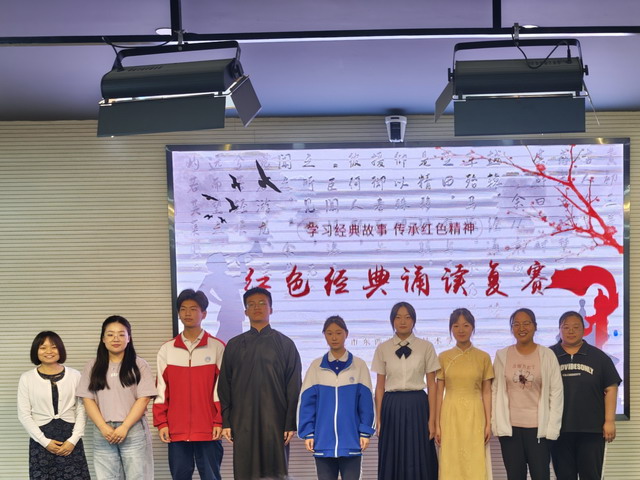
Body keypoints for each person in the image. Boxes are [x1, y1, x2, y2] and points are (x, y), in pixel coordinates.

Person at [217, 286, 302, 480]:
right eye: (251, 304)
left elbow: (294, 386)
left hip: (276, 421)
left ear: (271, 309)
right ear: (245, 311)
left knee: (276, 473)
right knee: (245, 471)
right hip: (242, 421)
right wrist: (227, 421)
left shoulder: (285, 344)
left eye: (262, 303)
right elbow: (224, 386)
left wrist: (290, 423)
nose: (257, 307)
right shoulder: (234, 345)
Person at [153, 289, 225, 480]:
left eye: (194, 309)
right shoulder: (167, 349)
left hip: (208, 429)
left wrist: (219, 421)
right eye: (183, 309)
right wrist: (162, 423)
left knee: (211, 477)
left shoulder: (217, 347)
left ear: (204, 314)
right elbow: (161, 390)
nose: (188, 313)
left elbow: (223, 390)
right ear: (178, 313)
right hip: (176, 430)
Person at [78, 316, 156, 479]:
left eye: (121, 334)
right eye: (110, 334)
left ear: (129, 338)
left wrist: (125, 427)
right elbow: (87, 399)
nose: (116, 338)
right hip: (102, 431)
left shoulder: (139, 365)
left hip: (133, 430)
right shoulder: (92, 366)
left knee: (138, 476)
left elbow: (144, 399)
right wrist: (103, 427)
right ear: (103, 338)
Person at [298, 315, 375, 480]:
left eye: (338, 333)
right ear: (324, 335)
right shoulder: (316, 367)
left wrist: (365, 432)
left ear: (346, 334)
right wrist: (308, 433)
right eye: (329, 333)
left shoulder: (359, 366)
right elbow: (306, 404)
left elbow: (367, 404)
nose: (334, 337)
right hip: (323, 442)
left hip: (351, 441)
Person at [492, 308, 564, 480]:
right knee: (515, 476)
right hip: (510, 430)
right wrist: (496, 423)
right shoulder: (502, 355)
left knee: (541, 475)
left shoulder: (547, 355)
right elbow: (495, 391)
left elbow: (556, 392)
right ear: (512, 328)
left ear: (535, 326)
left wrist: (552, 429)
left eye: (526, 323)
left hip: (538, 430)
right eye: (516, 324)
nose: (521, 328)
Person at [371, 301, 440, 480]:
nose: (403, 321)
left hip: (418, 405)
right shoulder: (383, 348)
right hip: (391, 406)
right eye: (398, 317)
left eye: (407, 317)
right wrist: (378, 418)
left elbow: (432, 385)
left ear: (414, 320)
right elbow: (380, 386)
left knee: (420, 453)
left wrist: (432, 420)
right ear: (392, 320)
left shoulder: (426, 347)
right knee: (392, 453)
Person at [550, 311, 621, 480]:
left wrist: (609, 421)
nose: (571, 331)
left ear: (584, 329)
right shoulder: (548, 356)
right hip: (558, 430)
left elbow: (611, 388)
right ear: (559, 330)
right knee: (564, 476)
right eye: (566, 327)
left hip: (592, 430)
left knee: (591, 476)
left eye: (576, 327)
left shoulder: (599, 357)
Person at [17, 331, 90, 480]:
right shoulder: (27, 378)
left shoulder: (75, 375)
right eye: (43, 347)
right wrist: (45, 442)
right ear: (36, 350)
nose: (49, 351)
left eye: (54, 347)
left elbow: (82, 409)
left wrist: (73, 440)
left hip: (70, 439)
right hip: (41, 440)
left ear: (60, 349)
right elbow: (24, 414)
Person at [435, 308, 494, 480]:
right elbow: (439, 393)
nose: (461, 330)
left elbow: (487, 392)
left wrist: (488, 423)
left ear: (473, 328)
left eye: (466, 325)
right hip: (450, 413)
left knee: (475, 460)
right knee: (451, 460)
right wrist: (437, 424)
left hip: (475, 413)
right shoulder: (443, 357)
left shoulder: (483, 357)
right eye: (456, 326)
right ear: (451, 329)